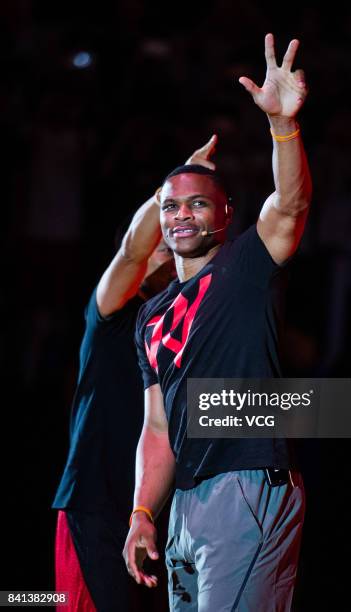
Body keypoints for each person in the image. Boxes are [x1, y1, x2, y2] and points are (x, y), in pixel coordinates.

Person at [123, 33, 312, 611]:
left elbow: (292, 204)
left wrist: (283, 126)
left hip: (245, 484)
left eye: (198, 203)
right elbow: (158, 429)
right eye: (171, 206)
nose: (182, 215)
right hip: (185, 501)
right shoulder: (149, 318)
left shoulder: (243, 267)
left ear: (225, 214)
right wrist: (141, 514)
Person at [52, 136, 218, 612]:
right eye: (161, 246)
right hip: (95, 503)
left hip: (160, 509)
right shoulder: (111, 316)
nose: (169, 253)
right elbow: (130, 251)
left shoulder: (187, 326)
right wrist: (177, 189)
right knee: (58, 600)